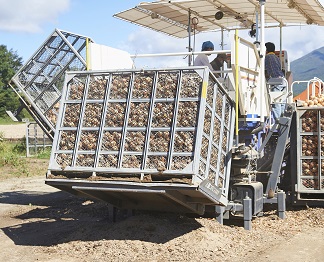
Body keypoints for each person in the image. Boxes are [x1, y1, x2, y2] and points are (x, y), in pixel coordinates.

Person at [264, 42, 286, 122]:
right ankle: (283, 121)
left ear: (265, 49)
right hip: (283, 80)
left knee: (276, 103)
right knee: (282, 103)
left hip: (275, 81)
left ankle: (278, 122)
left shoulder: (267, 57)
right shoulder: (276, 57)